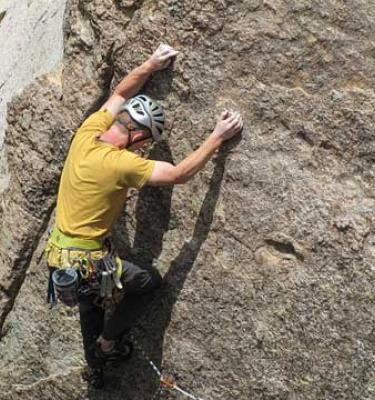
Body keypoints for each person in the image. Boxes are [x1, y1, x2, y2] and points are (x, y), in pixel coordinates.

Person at [45, 43, 243, 388]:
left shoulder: (88, 131)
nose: (143, 150)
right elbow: (179, 174)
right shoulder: (121, 163)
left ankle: (95, 368)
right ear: (136, 134)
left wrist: (151, 64)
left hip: (59, 256)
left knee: (91, 305)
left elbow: (120, 92)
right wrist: (217, 136)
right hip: (88, 262)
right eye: (144, 143)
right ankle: (107, 344)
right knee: (148, 284)